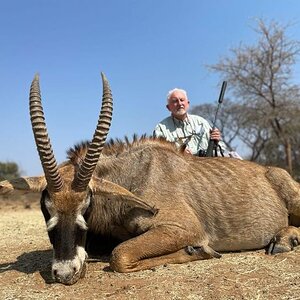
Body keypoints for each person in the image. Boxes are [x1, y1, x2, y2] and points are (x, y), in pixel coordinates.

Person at [153, 88, 228, 157]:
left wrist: (216, 141)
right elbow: (159, 156)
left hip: (204, 166)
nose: (179, 104)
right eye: (175, 101)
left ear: (188, 103)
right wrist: (179, 153)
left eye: (182, 100)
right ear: (168, 107)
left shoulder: (201, 122)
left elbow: (221, 149)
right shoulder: (161, 128)